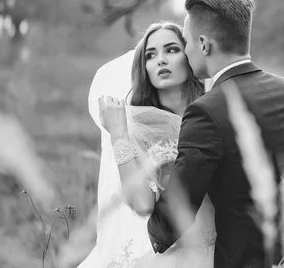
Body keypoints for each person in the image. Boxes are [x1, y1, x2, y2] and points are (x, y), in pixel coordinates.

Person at [148, 0, 284, 268]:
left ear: (203, 45)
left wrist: (152, 233)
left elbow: (181, 204)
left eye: (185, 42)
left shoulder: (205, 111)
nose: (185, 51)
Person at [79, 21, 210, 268]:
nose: (161, 60)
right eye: (151, 55)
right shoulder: (140, 131)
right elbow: (142, 204)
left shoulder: (213, 112)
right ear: (144, 68)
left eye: (172, 50)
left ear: (190, 56)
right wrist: (119, 135)